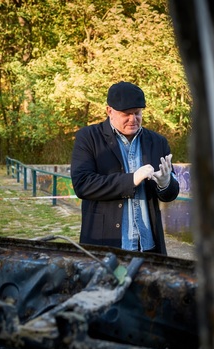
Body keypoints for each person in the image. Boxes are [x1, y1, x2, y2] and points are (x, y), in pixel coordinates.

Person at [71, 81, 179, 255]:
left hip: (149, 246)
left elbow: (170, 194)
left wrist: (166, 184)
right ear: (109, 111)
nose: (133, 119)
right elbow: (82, 184)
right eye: (126, 114)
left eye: (137, 113)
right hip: (105, 245)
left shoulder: (158, 142)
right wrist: (131, 180)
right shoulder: (88, 137)